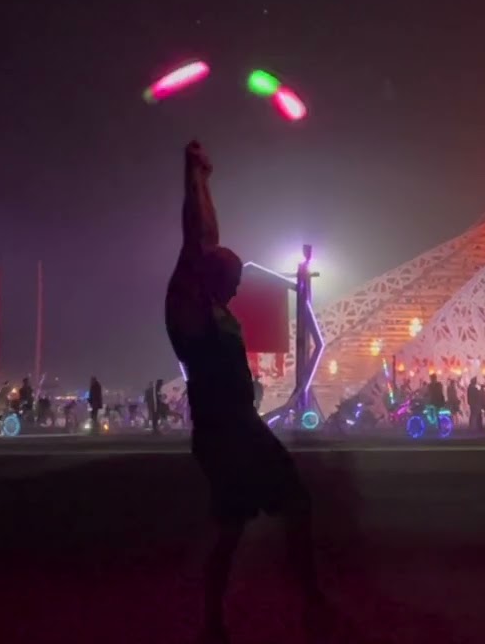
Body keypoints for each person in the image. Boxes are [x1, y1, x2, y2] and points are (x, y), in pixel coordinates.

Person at [164, 141, 323, 643]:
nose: (237, 289)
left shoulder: (213, 307)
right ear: (210, 276)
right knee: (233, 528)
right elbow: (197, 238)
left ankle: (310, 599)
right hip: (223, 434)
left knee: (291, 505)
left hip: (241, 428)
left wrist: (206, 181)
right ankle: (215, 621)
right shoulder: (190, 312)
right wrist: (192, 177)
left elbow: (208, 238)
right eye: (232, 281)